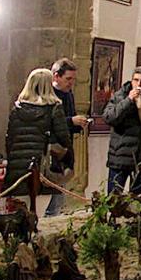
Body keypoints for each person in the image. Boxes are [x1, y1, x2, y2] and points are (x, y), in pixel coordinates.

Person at [3, 68, 71, 201]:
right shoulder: (54, 108)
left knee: (21, 214)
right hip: (43, 170)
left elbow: (9, 141)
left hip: (17, 171)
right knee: (45, 214)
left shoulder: (17, 109)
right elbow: (64, 140)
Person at [104, 66, 141, 195]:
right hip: (121, 155)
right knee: (113, 198)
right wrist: (128, 101)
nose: (139, 83)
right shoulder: (121, 95)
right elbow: (109, 118)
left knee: (137, 199)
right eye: (136, 80)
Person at [47, 58, 88, 216]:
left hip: (64, 149)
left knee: (59, 195)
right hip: (52, 150)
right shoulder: (49, 95)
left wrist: (78, 124)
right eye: (68, 79)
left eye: (73, 79)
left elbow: (67, 121)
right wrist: (71, 121)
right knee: (54, 194)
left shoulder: (69, 94)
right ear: (56, 76)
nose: (71, 83)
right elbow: (49, 122)